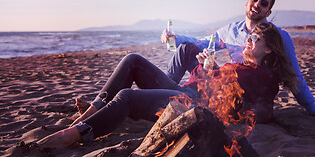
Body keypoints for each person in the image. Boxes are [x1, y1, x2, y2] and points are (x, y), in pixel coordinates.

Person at [36, 22, 291, 148]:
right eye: (250, 35)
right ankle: (93, 111)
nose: (250, 39)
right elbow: (219, 86)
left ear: (268, 49)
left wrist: (208, 71)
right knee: (133, 60)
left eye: (256, 38)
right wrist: (205, 69)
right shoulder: (245, 66)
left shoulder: (262, 74)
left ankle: (76, 133)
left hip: (192, 105)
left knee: (128, 95)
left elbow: (254, 107)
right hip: (189, 93)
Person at [161, 0, 315, 116]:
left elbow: (295, 76)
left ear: (268, 12)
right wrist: (176, 38)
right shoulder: (231, 30)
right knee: (184, 49)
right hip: (225, 81)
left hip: (246, 95)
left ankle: (165, 99)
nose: (257, 4)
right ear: (247, 3)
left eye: (264, 3)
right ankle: (162, 93)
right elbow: (202, 43)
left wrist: (313, 110)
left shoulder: (278, 37)